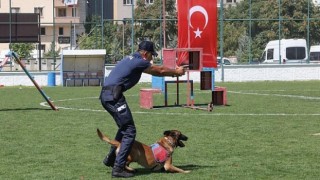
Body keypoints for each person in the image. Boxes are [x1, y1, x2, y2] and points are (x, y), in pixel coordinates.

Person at [100, 41, 186, 178]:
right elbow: (159, 70)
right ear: (145, 53)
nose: (152, 58)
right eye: (152, 55)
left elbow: (155, 71)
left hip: (109, 95)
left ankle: (111, 159)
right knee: (129, 130)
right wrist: (176, 72)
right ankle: (118, 168)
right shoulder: (140, 61)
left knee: (124, 128)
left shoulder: (133, 59)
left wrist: (173, 71)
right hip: (113, 96)